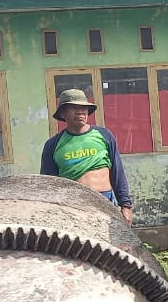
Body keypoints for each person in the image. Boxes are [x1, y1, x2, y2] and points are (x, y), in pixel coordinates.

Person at [39, 89, 133, 224]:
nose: (80, 112)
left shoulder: (104, 135)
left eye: (84, 108)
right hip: (72, 207)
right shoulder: (53, 145)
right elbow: (48, 184)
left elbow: (117, 172)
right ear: (62, 113)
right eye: (74, 108)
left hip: (104, 202)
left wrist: (125, 205)